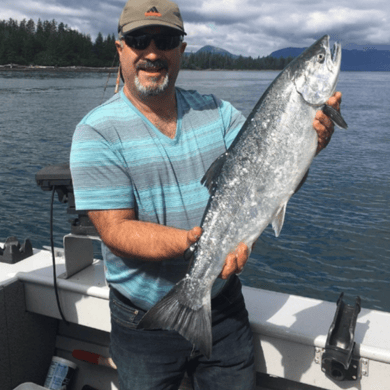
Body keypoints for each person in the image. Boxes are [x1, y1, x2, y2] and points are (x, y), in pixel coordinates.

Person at [70, 0, 342, 388]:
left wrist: (308, 147)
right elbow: (114, 230)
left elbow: (269, 177)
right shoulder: (95, 132)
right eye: (139, 39)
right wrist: (202, 248)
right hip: (143, 320)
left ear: (181, 50)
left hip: (225, 309)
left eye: (164, 40)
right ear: (120, 49)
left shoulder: (218, 112)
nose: (152, 52)